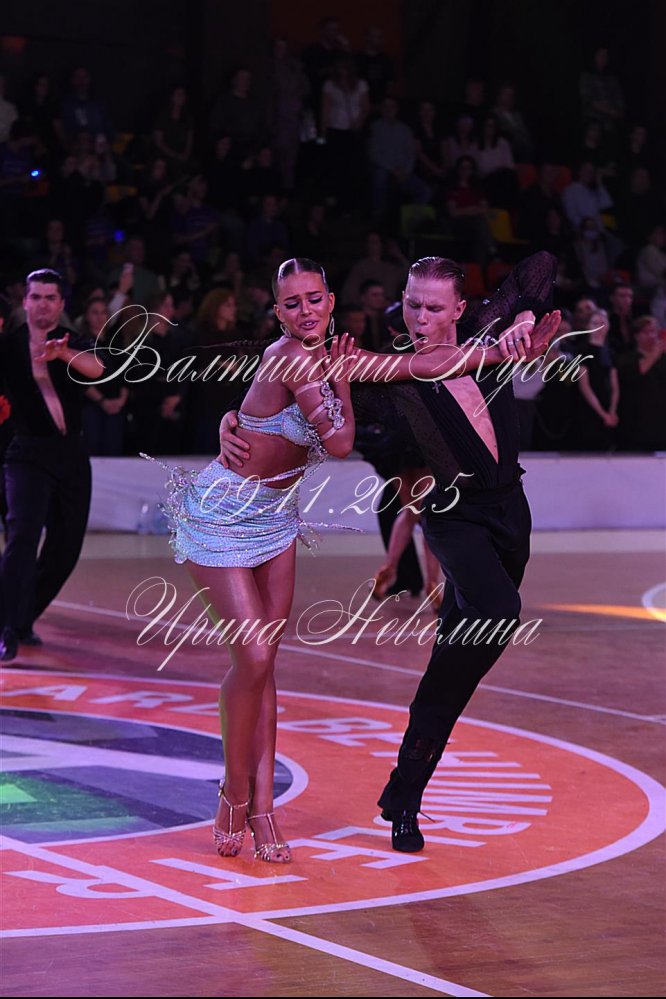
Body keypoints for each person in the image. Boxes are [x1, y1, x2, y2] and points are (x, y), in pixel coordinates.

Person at [219, 252, 561, 852]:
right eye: (411, 304)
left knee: (452, 669)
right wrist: (233, 419)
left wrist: (525, 318)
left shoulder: (487, 334)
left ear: (459, 308)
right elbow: (283, 377)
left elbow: (540, 265)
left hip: (512, 512)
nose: (419, 317)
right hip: (454, 519)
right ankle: (407, 778)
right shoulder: (388, 376)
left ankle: (404, 795)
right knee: (499, 611)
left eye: (432, 307)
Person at [0, 268, 105, 661]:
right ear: (25, 302)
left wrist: (64, 354)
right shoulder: (8, 346)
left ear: (61, 304)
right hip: (27, 454)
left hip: (72, 456)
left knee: (66, 548)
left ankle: (23, 617)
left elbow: (99, 370)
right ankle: (6, 626)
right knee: (23, 537)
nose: (42, 305)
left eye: (50, 298)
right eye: (36, 297)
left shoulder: (71, 341)